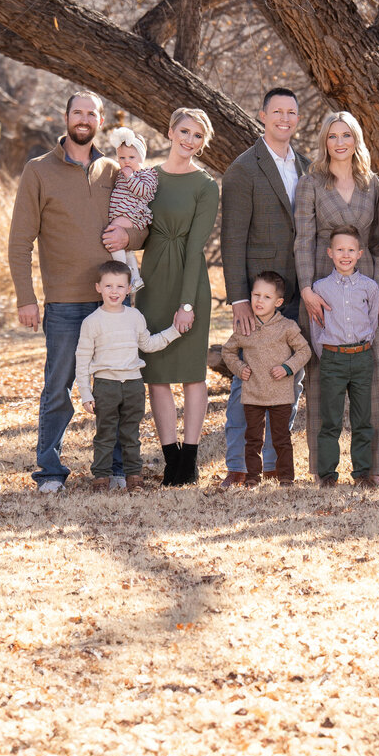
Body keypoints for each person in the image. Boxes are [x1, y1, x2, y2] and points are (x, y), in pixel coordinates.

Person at [8, 90, 146, 493]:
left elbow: (139, 224)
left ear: (100, 121)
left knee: (118, 384)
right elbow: (20, 241)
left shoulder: (113, 169)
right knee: (58, 386)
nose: (84, 119)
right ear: (66, 117)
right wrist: (26, 297)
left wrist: (129, 233)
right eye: (77, 112)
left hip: (113, 299)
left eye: (92, 113)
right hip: (65, 301)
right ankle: (50, 471)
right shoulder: (38, 170)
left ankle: (117, 468)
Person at [295, 112, 379, 480]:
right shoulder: (311, 183)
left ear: (357, 140)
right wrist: (306, 288)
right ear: (324, 141)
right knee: (325, 375)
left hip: (365, 284)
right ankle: (326, 470)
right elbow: (304, 239)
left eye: (347, 135)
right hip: (323, 285)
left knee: (377, 374)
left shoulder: (374, 184)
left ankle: (373, 469)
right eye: (333, 136)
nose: (340, 142)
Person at [220, 87, 312, 488]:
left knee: (288, 378)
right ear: (262, 115)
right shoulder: (244, 168)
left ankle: (274, 464)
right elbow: (232, 239)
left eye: (292, 112)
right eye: (277, 112)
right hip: (259, 300)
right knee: (248, 379)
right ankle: (239, 465)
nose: (285, 119)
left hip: (297, 292)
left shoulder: (306, 165)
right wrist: (240, 299)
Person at [135, 107, 220, 486]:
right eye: (184, 132)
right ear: (170, 132)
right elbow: (134, 225)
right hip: (152, 281)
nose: (189, 141)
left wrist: (187, 304)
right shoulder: (148, 178)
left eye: (197, 136)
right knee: (157, 375)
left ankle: (190, 459)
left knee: (191, 374)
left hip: (190, 280)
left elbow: (196, 246)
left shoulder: (206, 185)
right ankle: (171, 461)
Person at [74, 261, 182, 492]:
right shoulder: (92, 322)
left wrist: (174, 331)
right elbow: (82, 360)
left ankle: (134, 477)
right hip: (105, 385)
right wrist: (85, 393)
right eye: (109, 286)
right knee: (104, 435)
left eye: (120, 286)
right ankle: (101, 479)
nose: (114, 291)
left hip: (133, 384)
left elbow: (148, 344)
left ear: (128, 288)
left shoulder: (135, 316)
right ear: (98, 288)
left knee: (131, 435)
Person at [220, 271, 312, 487]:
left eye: (267, 297)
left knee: (281, 438)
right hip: (253, 394)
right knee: (252, 440)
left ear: (278, 302)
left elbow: (304, 351)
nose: (259, 301)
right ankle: (252, 477)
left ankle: (286, 477)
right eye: (256, 295)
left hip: (280, 394)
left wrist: (287, 368)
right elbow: (228, 351)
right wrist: (239, 367)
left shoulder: (287, 327)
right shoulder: (246, 328)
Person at [308, 227, 379, 488]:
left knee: (363, 419)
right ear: (330, 253)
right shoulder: (320, 287)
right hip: (333, 360)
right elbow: (317, 328)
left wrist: (361, 346)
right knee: (331, 420)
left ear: (360, 254)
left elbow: (372, 322)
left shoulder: (369, 287)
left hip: (362, 358)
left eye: (351, 250)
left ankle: (362, 473)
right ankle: (327, 475)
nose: (345, 255)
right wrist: (329, 355)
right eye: (340, 249)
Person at [103, 128, 157, 293]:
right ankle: (135, 279)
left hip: (132, 214)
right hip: (121, 213)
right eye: (122, 158)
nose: (126, 161)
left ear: (141, 157)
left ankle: (121, 272)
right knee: (127, 250)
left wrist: (130, 177)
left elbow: (143, 191)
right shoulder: (120, 174)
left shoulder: (147, 174)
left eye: (132, 157)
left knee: (113, 235)